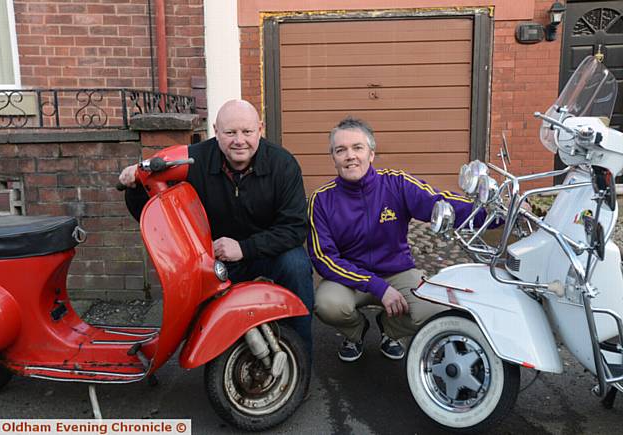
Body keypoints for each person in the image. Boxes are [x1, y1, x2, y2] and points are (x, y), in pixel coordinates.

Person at [119, 99, 314, 357]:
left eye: (247, 132)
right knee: (186, 289)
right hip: (213, 259)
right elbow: (153, 209)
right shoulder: (192, 160)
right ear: (216, 131)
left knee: (297, 264)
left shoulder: (283, 164)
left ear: (260, 129)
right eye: (230, 132)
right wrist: (134, 184)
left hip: (266, 252)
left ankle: (300, 354)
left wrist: (244, 248)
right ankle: (200, 348)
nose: (239, 140)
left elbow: (295, 228)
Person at [307, 117, 489, 362]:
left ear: (371, 153)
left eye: (357, 148)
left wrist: (497, 214)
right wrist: (377, 287)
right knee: (328, 304)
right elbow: (324, 259)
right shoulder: (321, 199)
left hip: (397, 272)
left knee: (433, 308)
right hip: (349, 279)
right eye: (341, 150)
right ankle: (356, 332)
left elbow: (440, 203)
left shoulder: (397, 183)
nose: (350, 156)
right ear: (334, 158)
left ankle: (390, 330)